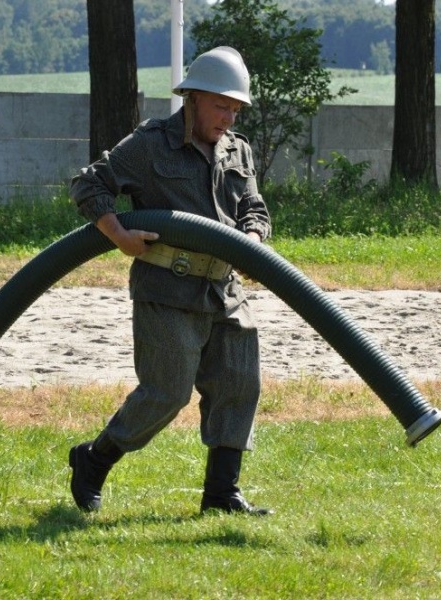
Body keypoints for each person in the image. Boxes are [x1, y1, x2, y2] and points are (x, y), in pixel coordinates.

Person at [68, 47, 273, 515]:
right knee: (166, 394)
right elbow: (89, 183)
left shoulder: (237, 149)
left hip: (226, 292)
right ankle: (94, 461)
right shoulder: (149, 144)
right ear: (193, 98)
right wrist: (117, 233)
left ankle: (222, 495)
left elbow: (255, 208)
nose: (228, 116)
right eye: (221, 105)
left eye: (235, 108)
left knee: (240, 385)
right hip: (168, 288)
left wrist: (254, 237)